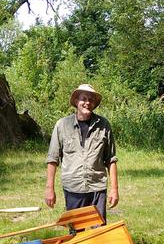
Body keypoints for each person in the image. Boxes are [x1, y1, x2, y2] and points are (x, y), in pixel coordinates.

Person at [45, 84, 118, 223]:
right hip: (73, 187)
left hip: (97, 187)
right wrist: (49, 189)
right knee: (77, 229)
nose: (87, 103)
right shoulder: (62, 125)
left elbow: (111, 159)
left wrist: (114, 189)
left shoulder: (103, 125)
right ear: (77, 101)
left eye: (91, 100)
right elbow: (52, 159)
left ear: (95, 103)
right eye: (84, 99)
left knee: (98, 230)